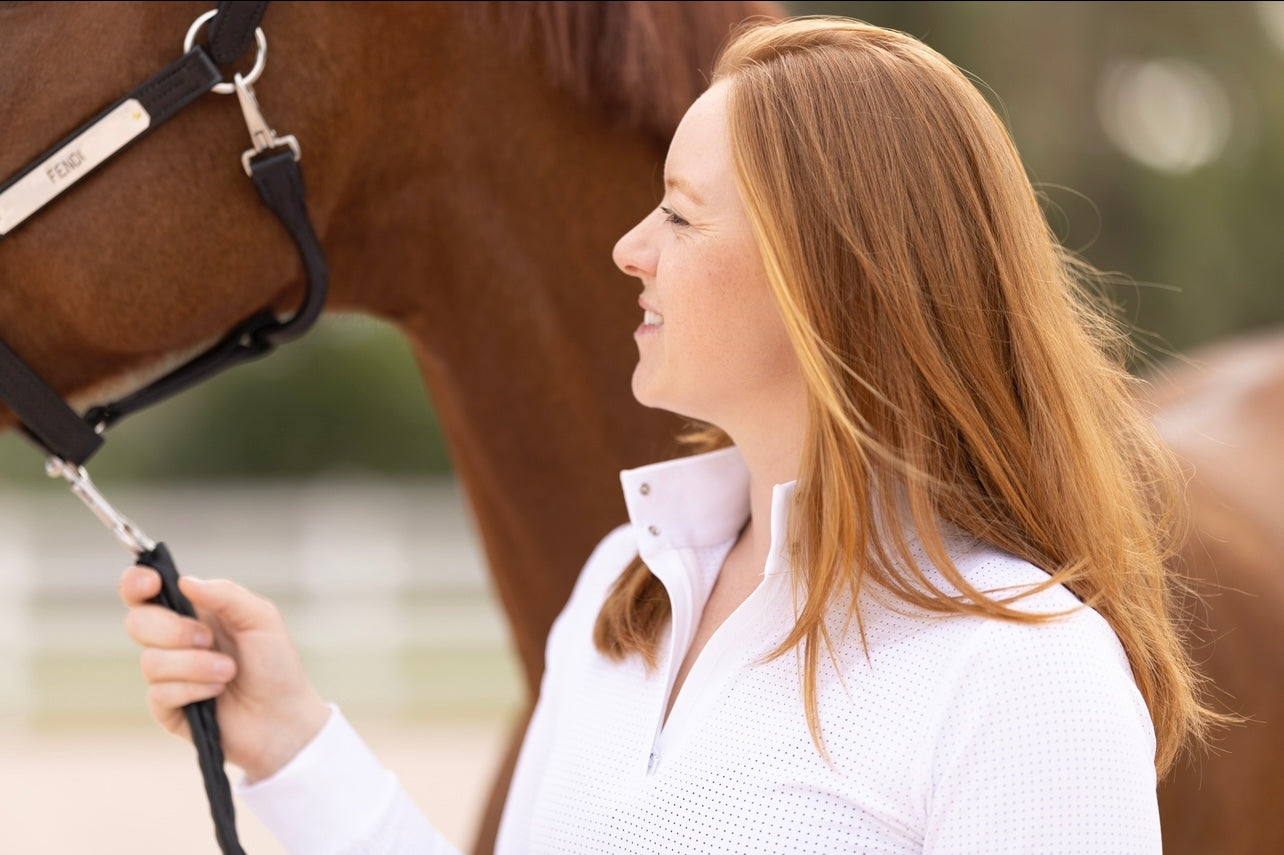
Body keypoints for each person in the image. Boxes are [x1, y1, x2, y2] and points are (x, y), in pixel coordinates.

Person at [120, 16, 1219, 853]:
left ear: (827, 279)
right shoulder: (620, 593)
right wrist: (293, 739)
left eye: (680, 216)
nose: (628, 250)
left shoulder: (1023, 675)